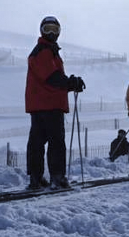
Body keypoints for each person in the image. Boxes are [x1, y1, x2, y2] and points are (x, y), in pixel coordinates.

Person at [24, 16, 85, 190]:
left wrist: (69, 83)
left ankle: (36, 177)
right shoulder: (43, 51)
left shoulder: (48, 51)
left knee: (37, 142)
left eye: (54, 29)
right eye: (47, 29)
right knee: (56, 142)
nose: (51, 33)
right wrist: (70, 83)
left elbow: (52, 76)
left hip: (39, 104)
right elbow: (51, 77)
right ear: (41, 31)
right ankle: (56, 177)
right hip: (49, 103)